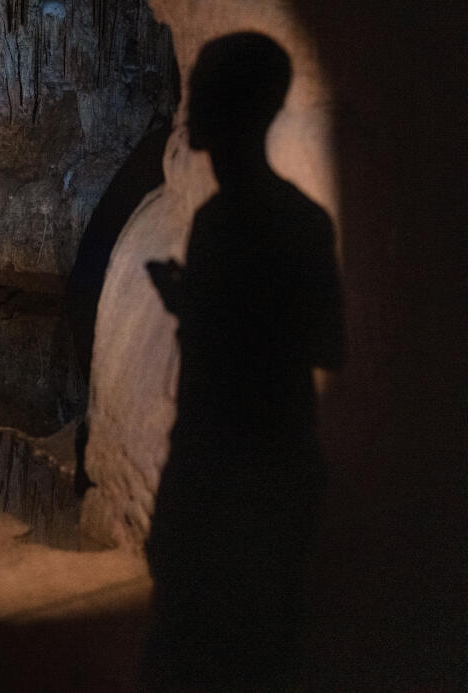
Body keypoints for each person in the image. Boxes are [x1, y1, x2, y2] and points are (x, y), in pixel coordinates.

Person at [143, 33, 344, 691]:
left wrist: (207, 308)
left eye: (202, 89)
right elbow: (325, 341)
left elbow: (237, 351)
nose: (189, 103)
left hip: (228, 474)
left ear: (237, 107)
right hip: (275, 465)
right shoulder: (302, 221)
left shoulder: (225, 224)